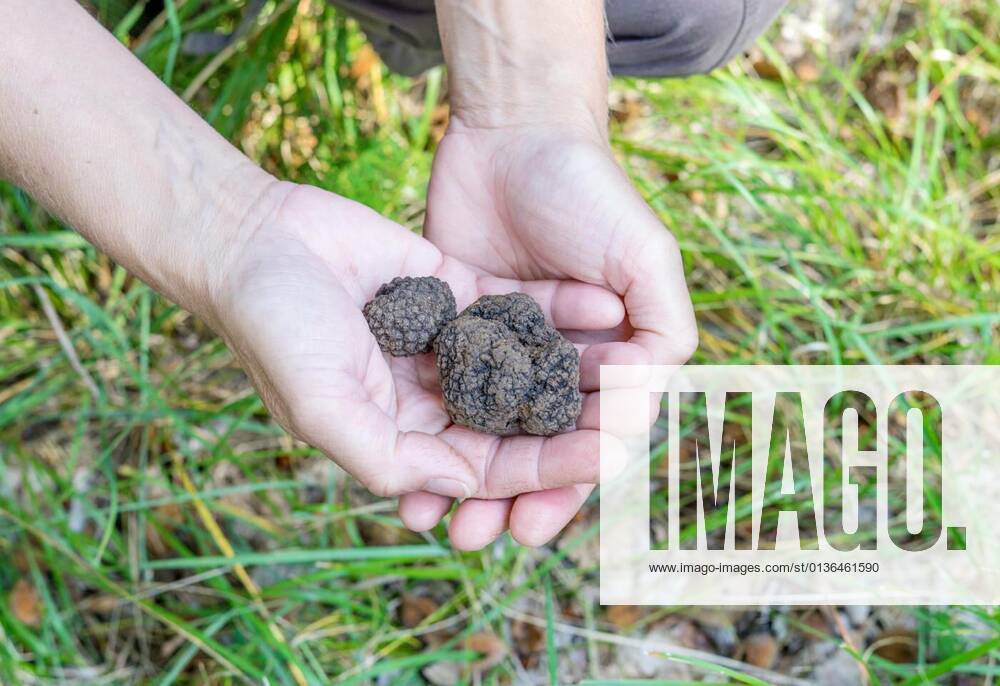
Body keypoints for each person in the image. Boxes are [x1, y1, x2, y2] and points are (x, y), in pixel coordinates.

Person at [0, 1, 782, 550]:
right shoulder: (462, 340)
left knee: (693, 10)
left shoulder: (478, 342)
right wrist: (222, 233)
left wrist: (528, 106)